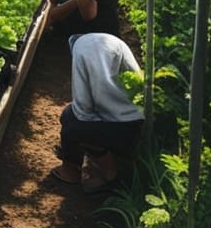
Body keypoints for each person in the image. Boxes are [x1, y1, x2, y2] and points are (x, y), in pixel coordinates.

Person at [49, 32, 145, 193]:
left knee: (73, 124)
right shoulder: (108, 42)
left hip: (125, 129)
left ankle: (107, 174)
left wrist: (87, 139)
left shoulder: (82, 50)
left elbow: (83, 110)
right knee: (71, 116)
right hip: (136, 120)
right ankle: (97, 159)